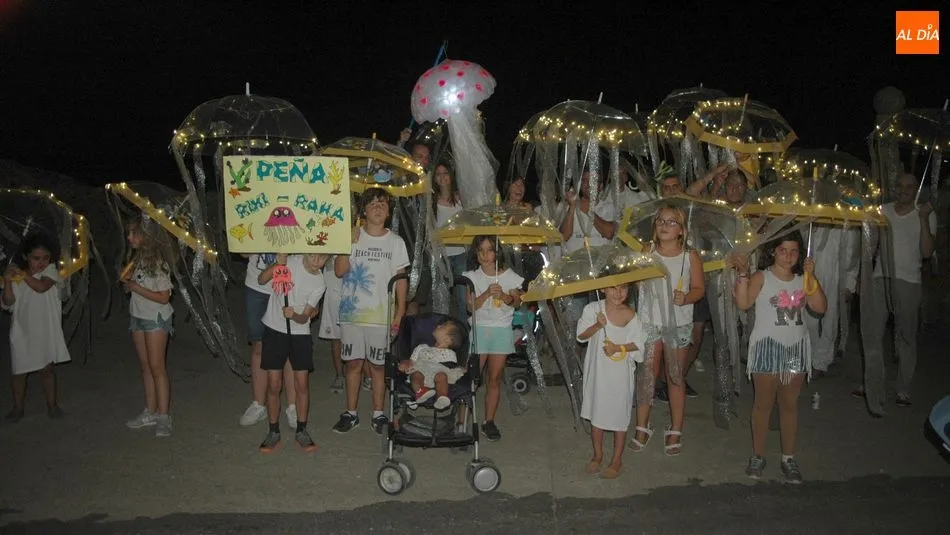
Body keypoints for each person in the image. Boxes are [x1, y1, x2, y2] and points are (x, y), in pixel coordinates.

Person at [732, 231, 826, 483]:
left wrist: (811, 275)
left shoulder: (802, 280)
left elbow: (820, 307)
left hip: (795, 348)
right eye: (783, 250)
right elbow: (743, 303)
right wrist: (742, 273)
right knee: (763, 404)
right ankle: (758, 455)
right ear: (773, 251)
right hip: (767, 347)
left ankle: (788, 457)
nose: (788, 256)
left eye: (794, 251)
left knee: (790, 404)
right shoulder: (763, 277)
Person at [333, 188, 409, 435]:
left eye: (383, 204)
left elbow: (401, 279)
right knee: (353, 363)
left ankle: (378, 413)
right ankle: (351, 412)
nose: (378, 207)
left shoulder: (396, 242)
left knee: (378, 366)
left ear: (388, 212)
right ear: (363, 210)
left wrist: (400, 312)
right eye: (373, 203)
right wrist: (347, 244)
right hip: (352, 313)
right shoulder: (352, 237)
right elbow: (339, 271)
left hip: (381, 315)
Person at [856, 172, 936, 406]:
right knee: (872, 332)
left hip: (909, 281)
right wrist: (864, 276)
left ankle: (903, 389)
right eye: (899, 186)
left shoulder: (926, 213)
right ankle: (871, 382)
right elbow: (871, 246)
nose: (903, 191)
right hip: (881, 277)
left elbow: (927, 252)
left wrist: (922, 219)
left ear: (916, 190)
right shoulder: (884, 211)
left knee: (906, 337)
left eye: (909, 187)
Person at [631, 203, 704, 456]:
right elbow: (637, 281)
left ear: (682, 230)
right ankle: (642, 425)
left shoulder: (689, 256)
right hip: (650, 322)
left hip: (677, 324)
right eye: (660, 221)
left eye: (671, 221)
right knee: (647, 376)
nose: (664, 225)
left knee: (675, 376)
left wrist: (686, 297)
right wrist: (638, 280)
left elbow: (699, 289)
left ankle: (676, 427)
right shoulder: (647, 250)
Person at [257, 253, 327, 453]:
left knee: (302, 383)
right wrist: (277, 265)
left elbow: (305, 318)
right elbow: (261, 279)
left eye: (322, 258)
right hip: (274, 329)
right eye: (314, 256)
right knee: (273, 383)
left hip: (299, 333)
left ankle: (302, 430)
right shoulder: (290, 262)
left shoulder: (320, 282)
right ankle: (273, 431)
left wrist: (294, 315)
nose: (316, 261)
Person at [576, 284, 647, 479]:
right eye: (613, 288)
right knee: (597, 413)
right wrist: (597, 325)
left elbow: (639, 344)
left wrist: (618, 348)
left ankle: (617, 459)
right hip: (598, 372)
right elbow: (581, 336)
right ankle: (597, 455)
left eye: (623, 288)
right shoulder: (592, 309)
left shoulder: (631, 315)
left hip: (619, 374)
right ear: (603, 289)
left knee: (619, 417)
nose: (618, 292)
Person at [1, 233, 70, 422]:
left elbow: (40, 287)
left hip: (45, 329)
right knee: (18, 372)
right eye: (35, 258)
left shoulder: (51, 272)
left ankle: (52, 405)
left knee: (47, 370)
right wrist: (7, 280)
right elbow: (8, 302)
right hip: (22, 331)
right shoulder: (18, 278)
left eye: (45, 258)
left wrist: (22, 275)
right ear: (26, 256)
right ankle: (17, 408)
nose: (40, 262)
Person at [463, 235, 525, 441]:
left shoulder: (509, 276)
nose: (485, 255)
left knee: (495, 378)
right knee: (472, 377)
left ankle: (488, 421)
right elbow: (470, 306)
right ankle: (462, 420)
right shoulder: (471, 276)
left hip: (501, 329)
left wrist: (505, 297)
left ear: (497, 252)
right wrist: (487, 294)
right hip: (480, 328)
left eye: (489, 250)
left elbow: (517, 302)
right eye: (480, 250)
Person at [122, 216, 175, 438]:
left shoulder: (159, 263)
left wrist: (136, 287)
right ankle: (150, 411)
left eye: (134, 233)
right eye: (129, 233)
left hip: (156, 318)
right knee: (145, 367)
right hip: (137, 316)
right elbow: (138, 288)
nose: (129, 237)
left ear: (147, 236)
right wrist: (129, 286)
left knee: (157, 367)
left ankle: (164, 415)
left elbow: (164, 297)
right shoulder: (136, 260)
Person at [239, 254, 298, 427]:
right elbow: (242, 250)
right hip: (257, 286)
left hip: (288, 284)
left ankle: (293, 406)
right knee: (258, 345)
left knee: (288, 347)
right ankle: (258, 404)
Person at [802, 226, 859, 377]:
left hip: (835, 277)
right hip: (811, 274)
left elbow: (852, 257)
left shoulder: (847, 225)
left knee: (830, 320)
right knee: (808, 319)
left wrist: (849, 283)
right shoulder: (813, 221)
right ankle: (806, 357)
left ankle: (821, 361)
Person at [397, 317, 466, 410]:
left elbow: (453, 367)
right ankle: (420, 391)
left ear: (447, 339)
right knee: (415, 374)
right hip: (422, 372)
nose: (438, 325)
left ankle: (441, 397)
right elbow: (411, 362)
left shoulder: (450, 354)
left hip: (438, 375)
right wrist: (405, 364)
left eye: (443, 326)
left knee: (441, 375)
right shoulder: (421, 348)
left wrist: (462, 370)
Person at [432, 162, 467, 323]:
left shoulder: (462, 199)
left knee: (462, 298)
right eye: (438, 174)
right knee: (441, 299)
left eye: (445, 173)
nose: (442, 177)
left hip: (460, 254)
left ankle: (464, 335)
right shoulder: (431, 200)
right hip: (440, 256)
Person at [319, 254, 345, 392]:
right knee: (336, 339)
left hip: (355, 290)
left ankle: (366, 376)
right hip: (333, 291)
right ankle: (339, 375)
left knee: (358, 337)